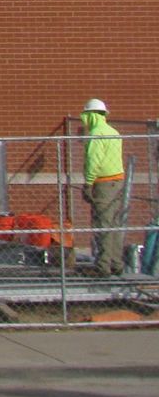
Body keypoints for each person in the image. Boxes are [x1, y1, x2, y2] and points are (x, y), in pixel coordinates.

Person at [79, 98, 126, 276]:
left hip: (103, 184)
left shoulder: (96, 134)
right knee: (113, 224)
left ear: (90, 116)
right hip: (117, 182)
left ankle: (103, 267)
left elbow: (93, 161)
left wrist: (88, 183)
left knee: (102, 225)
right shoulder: (113, 132)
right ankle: (116, 263)